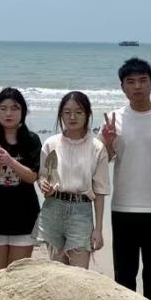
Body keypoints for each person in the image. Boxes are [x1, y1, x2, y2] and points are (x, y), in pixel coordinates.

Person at [99, 57, 151, 300]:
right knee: (124, 277)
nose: (137, 86)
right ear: (122, 87)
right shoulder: (114, 119)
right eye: (131, 81)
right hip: (124, 207)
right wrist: (107, 143)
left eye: (143, 80)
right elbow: (104, 160)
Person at [37, 91, 110, 269]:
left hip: (81, 211)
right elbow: (43, 176)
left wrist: (98, 229)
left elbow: (100, 191)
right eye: (67, 112)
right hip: (53, 208)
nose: (72, 117)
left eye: (78, 112)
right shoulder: (50, 143)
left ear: (88, 114)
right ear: (61, 115)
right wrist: (44, 185)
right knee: (57, 271)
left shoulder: (97, 148)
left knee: (79, 273)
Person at [0, 87, 41, 270]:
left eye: (14, 108)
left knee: (17, 276)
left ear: (23, 112)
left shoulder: (31, 140)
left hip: (25, 218)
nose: (8, 113)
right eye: (3, 108)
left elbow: (32, 177)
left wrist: (10, 161)